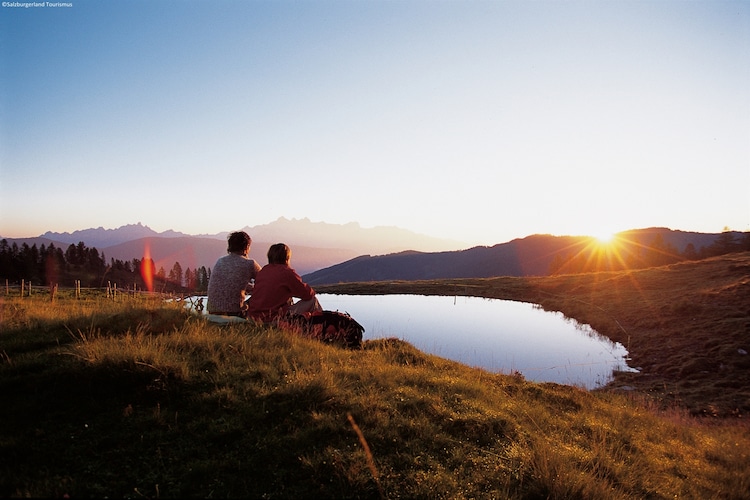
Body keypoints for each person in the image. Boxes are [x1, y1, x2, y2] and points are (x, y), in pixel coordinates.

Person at [247, 243, 323, 322]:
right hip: (272, 318)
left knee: (289, 301)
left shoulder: (263, 271)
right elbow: (307, 294)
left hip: (253, 317)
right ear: (286, 258)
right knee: (312, 301)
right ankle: (323, 326)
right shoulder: (286, 272)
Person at [207, 231, 261, 317]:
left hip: (212, 310)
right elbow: (267, 281)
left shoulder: (220, 261)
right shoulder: (249, 263)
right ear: (247, 246)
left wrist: (248, 287)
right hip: (234, 312)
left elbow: (231, 282)